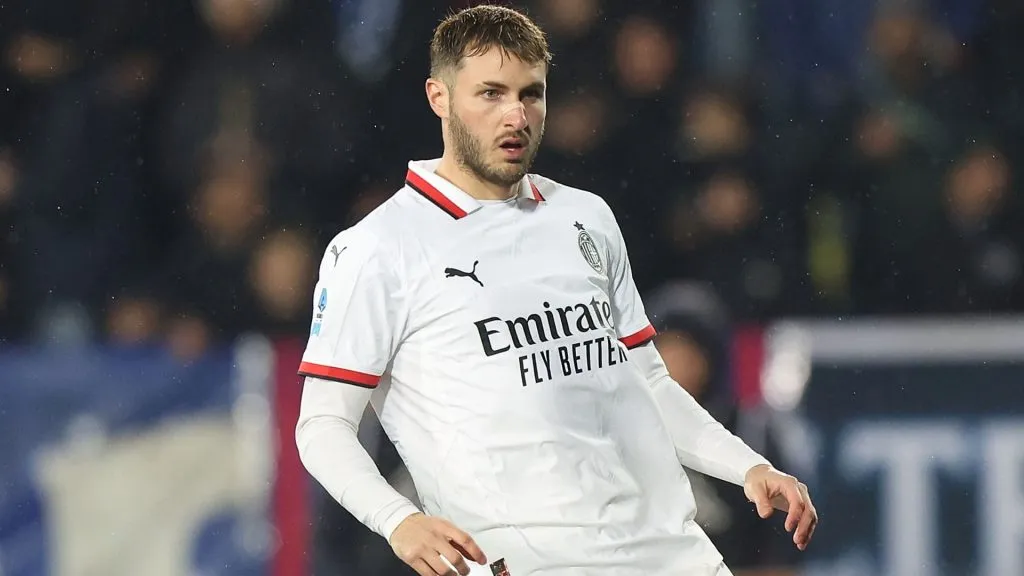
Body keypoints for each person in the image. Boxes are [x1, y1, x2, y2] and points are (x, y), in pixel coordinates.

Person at [295, 6, 818, 576]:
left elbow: (648, 383)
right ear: (438, 97)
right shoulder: (377, 249)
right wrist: (398, 520)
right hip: (527, 563)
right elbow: (322, 425)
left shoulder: (586, 217)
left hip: (671, 555)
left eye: (531, 94)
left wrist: (746, 467)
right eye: (490, 94)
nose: (516, 115)